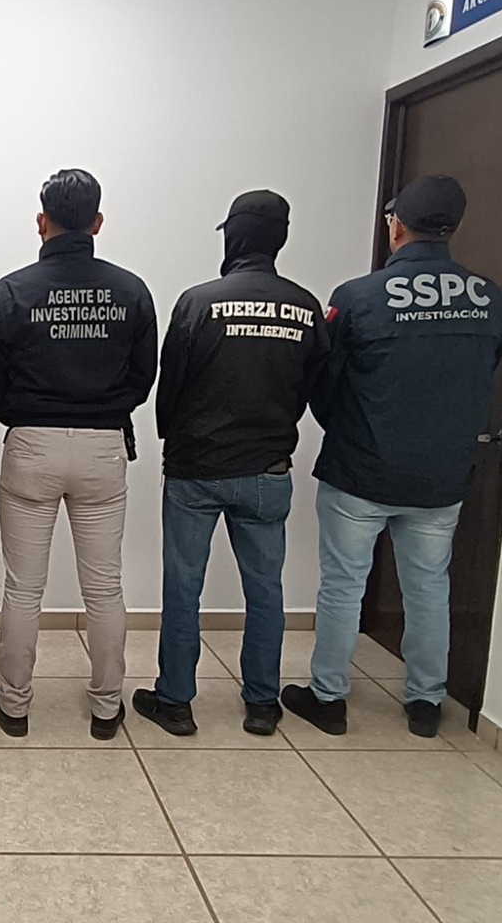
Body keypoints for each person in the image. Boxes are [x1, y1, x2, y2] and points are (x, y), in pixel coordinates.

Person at [283, 175, 502, 739]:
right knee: (429, 586)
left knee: (343, 585)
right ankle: (426, 702)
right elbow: (484, 375)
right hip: (440, 476)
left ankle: (329, 698)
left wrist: (345, 430)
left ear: (396, 226)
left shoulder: (357, 297)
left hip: (360, 468)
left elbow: (324, 381)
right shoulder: (490, 301)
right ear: (453, 227)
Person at [132, 190, 328, 739]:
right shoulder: (305, 307)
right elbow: (318, 389)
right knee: (266, 590)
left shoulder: (199, 302)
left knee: (183, 589)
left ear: (234, 237)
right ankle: (262, 703)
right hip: (268, 469)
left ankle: (175, 701)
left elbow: (169, 385)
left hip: (196, 468)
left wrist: (172, 441)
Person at [0, 169, 157, 741]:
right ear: (97, 222)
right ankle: (106, 707)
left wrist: (25, 413)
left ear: (41, 221)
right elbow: (142, 376)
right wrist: (104, 410)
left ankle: (14, 705)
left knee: (22, 587)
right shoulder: (132, 290)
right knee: (104, 588)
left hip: (32, 443)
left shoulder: (10, 290)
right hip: (104, 445)